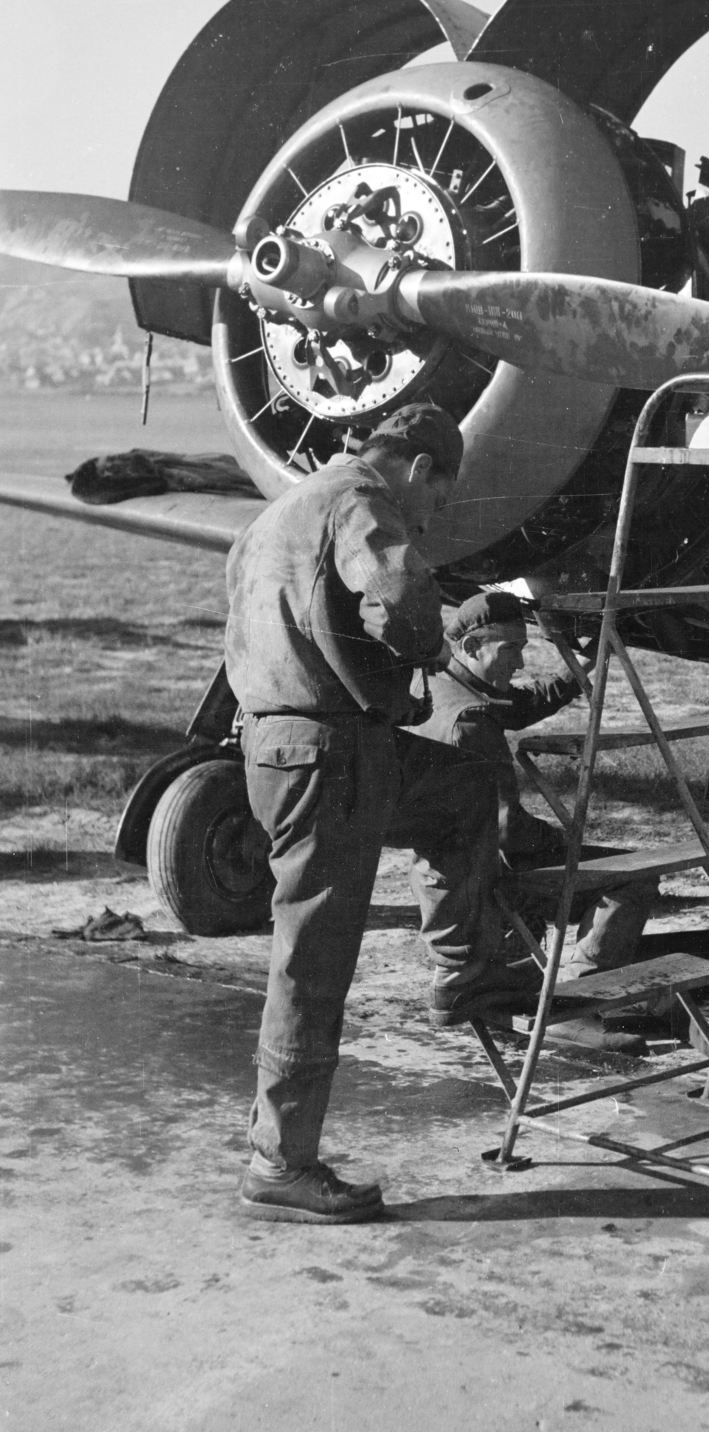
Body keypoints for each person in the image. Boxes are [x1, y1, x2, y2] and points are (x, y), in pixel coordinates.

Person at [224, 405, 538, 1225]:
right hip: (331, 753)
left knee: (462, 789)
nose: (427, 517)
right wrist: (428, 650)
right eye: (435, 498)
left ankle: (463, 970)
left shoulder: (280, 509)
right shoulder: (362, 496)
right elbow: (398, 590)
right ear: (421, 466)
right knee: (314, 956)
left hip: (279, 743)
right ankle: (281, 1162)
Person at [408, 591, 657, 1053]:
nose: (519, 664)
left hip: (449, 876)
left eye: (523, 649)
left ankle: (527, 985)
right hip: (486, 879)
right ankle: (577, 1005)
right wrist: (565, 839)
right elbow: (510, 831)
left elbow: (519, 705)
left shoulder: (442, 687)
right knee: (634, 875)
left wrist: (581, 663)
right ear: (470, 648)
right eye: (509, 651)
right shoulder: (471, 722)